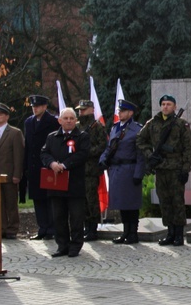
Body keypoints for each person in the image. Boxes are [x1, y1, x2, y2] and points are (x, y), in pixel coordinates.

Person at [136, 94, 191, 246]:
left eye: (169, 104)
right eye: (163, 104)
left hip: (176, 169)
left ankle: (179, 235)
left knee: (177, 202)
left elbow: (188, 148)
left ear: (174, 107)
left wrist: (185, 169)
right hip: (160, 168)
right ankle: (170, 233)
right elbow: (140, 139)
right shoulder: (152, 123)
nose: (166, 107)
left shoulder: (181, 124)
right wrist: (150, 155)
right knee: (165, 202)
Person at [41, 108, 90, 257]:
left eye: (71, 118)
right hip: (56, 185)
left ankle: (75, 246)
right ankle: (62, 245)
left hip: (75, 184)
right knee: (58, 217)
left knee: (76, 217)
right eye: (66, 118)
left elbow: (83, 154)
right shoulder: (52, 137)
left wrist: (65, 165)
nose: (69, 121)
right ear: (60, 121)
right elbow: (44, 152)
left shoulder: (82, 136)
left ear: (76, 121)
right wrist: (51, 164)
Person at [99, 99, 145, 244]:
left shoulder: (137, 130)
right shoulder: (115, 128)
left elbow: (141, 154)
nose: (120, 113)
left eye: (123, 111)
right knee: (122, 204)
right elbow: (109, 147)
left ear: (130, 113)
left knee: (131, 204)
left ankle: (133, 233)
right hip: (116, 170)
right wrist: (103, 159)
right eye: (119, 111)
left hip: (130, 169)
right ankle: (125, 232)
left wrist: (138, 173)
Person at [23, 95, 61, 240]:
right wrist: (25, 165)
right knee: (37, 199)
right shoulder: (29, 122)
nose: (35, 108)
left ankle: (52, 228)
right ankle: (42, 227)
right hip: (33, 166)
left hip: (47, 165)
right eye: (33, 106)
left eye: (38, 106)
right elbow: (28, 145)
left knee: (49, 198)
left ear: (45, 107)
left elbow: (56, 144)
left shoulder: (52, 122)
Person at [0, 103, 25, 239]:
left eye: (0, 114)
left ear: (7, 117)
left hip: (9, 174)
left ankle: (12, 228)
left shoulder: (15, 133)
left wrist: (17, 174)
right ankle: (1, 227)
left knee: (10, 203)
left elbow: (18, 156)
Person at [76, 100, 108, 241]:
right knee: (81, 200)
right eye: (79, 110)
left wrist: (86, 152)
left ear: (91, 110)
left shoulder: (97, 127)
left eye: (84, 109)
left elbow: (102, 145)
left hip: (91, 169)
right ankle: (85, 226)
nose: (81, 112)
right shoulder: (76, 126)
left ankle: (92, 228)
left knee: (91, 200)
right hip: (78, 169)